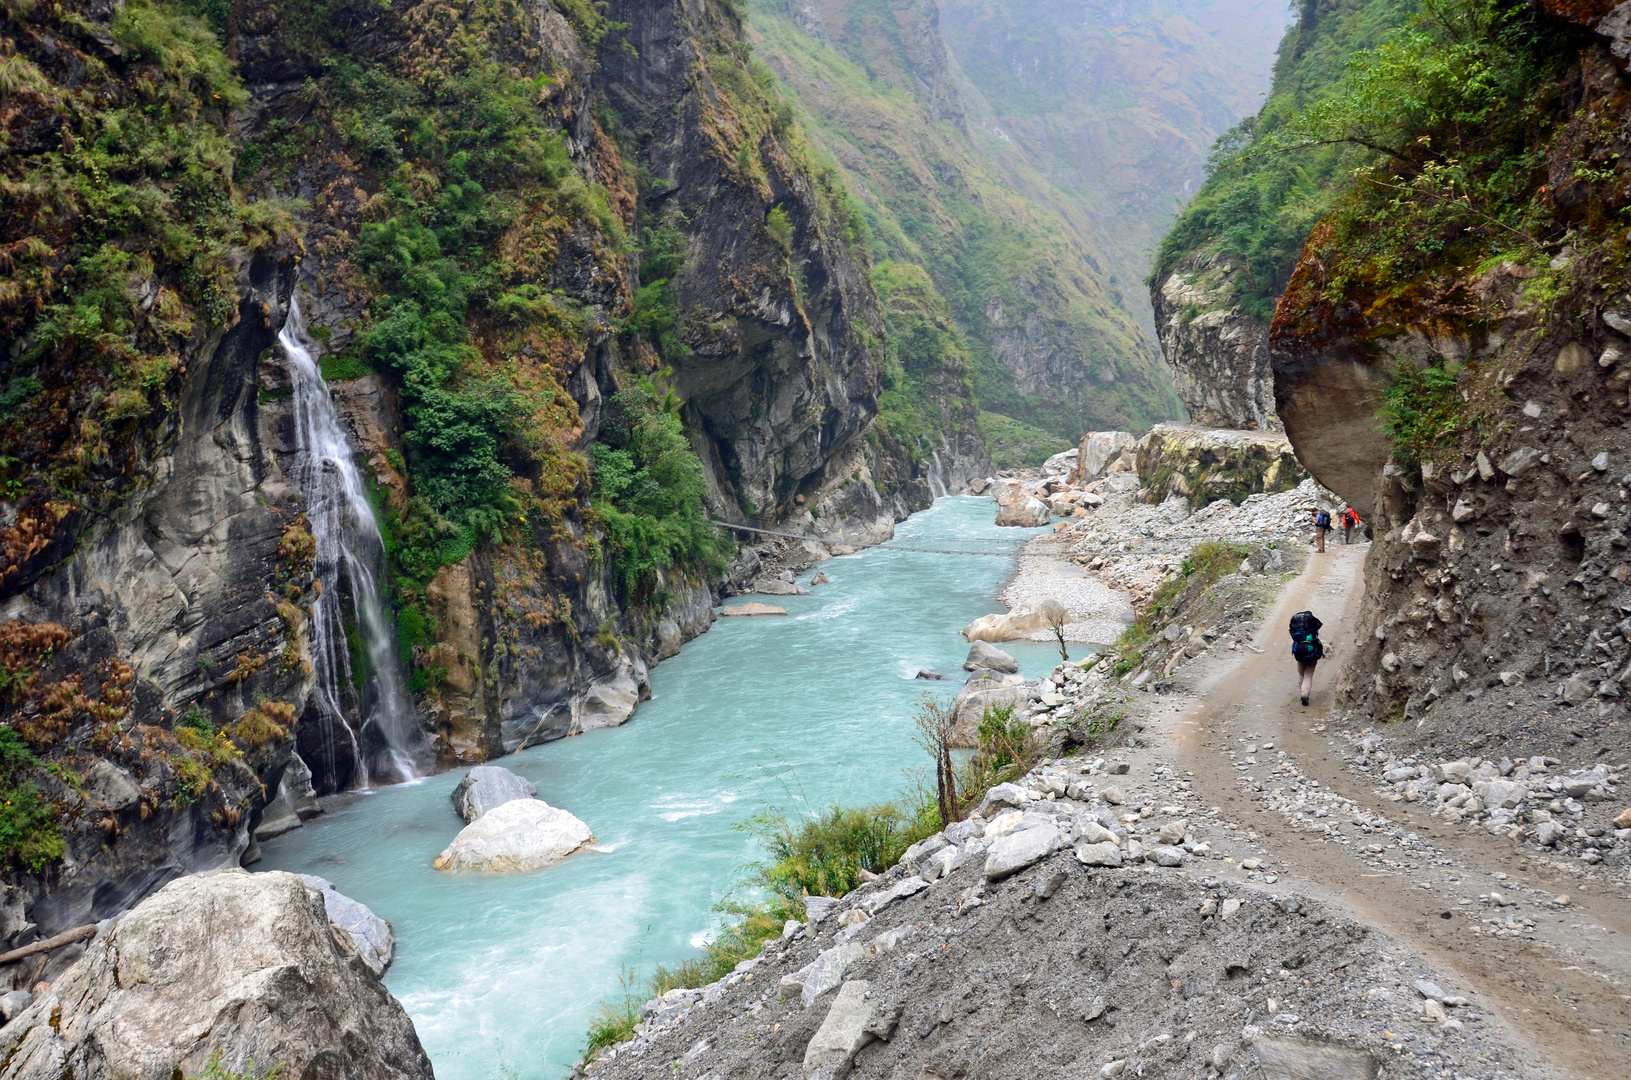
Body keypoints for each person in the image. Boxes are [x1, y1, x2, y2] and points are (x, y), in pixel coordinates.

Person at [1289, 610, 1324, 706]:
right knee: (1308, 674)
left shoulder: (1295, 626)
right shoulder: (1311, 624)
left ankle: (1302, 690)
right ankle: (1305, 694)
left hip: (1299, 653)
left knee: (1301, 674)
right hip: (1312, 652)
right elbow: (1318, 625)